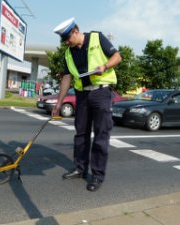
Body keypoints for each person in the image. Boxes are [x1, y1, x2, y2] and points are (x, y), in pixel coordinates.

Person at [52, 18, 122, 191]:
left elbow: (117, 56)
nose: (66, 42)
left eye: (68, 38)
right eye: (64, 40)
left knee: (100, 135)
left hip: (101, 93)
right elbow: (67, 78)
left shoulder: (97, 38)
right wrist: (58, 103)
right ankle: (80, 168)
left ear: (76, 31)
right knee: (81, 133)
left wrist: (105, 66)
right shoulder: (68, 53)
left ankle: (97, 176)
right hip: (81, 95)